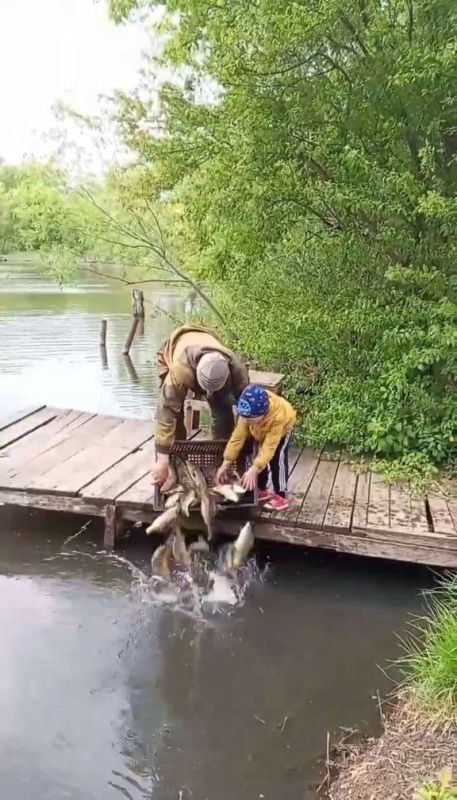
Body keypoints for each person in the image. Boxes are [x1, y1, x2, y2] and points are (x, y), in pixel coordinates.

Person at [151, 324, 249, 485]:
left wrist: (243, 445)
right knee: (174, 414)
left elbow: (248, 411)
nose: (208, 395)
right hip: (173, 348)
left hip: (210, 341)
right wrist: (162, 459)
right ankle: (176, 462)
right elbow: (165, 413)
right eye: (206, 389)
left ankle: (220, 459)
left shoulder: (236, 369)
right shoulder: (180, 371)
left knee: (223, 410)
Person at [216, 384, 296, 511]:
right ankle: (262, 489)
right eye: (245, 418)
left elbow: (269, 448)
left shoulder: (277, 417)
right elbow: (237, 438)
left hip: (281, 431)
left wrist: (254, 469)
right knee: (257, 456)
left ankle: (281, 496)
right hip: (260, 429)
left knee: (277, 460)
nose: (247, 421)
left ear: (263, 412)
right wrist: (225, 463)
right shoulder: (247, 415)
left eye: (251, 419)